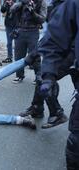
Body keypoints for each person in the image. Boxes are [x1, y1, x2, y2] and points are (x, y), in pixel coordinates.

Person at [37, 0, 79, 168]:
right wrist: (48, 74)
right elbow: (54, 40)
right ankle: (52, 111)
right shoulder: (73, 4)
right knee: (76, 143)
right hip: (68, 58)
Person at [19, 0, 68, 129]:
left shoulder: (69, 7)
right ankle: (37, 107)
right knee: (43, 75)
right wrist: (34, 53)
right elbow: (50, 35)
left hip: (70, 54)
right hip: (60, 51)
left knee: (47, 77)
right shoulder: (55, 6)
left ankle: (57, 113)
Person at [9, 0, 47, 83]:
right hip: (20, 31)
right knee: (18, 55)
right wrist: (22, 3)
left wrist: (33, 12)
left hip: (33, 31)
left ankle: (38, 76)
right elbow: (12, 9)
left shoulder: (41, 2)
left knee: (34, 55)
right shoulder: (22, 1)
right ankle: (19, 75)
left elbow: (42, 19)